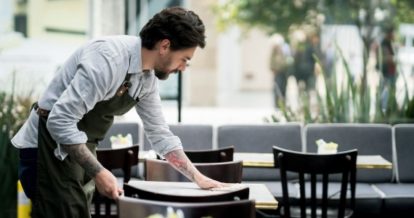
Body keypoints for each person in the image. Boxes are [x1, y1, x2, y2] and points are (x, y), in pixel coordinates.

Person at [11, 7, 227, 217]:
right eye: (184, 60)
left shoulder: (146, 79)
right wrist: (99, 171)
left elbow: (160, 135)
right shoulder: (107, 59)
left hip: (79, 152)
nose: (183, 68)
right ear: (165, 45)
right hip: (46, 151)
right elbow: (59, 121)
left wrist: (198, 178)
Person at [269, 34, 292, 106]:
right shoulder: (274, 51)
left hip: (284, 71)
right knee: (277, 87)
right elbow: (271, 61)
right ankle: (277, 104)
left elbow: (287, 59)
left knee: (283, 87)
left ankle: (283, 103)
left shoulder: (284, 50)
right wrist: (273, 69)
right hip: (277, 71)